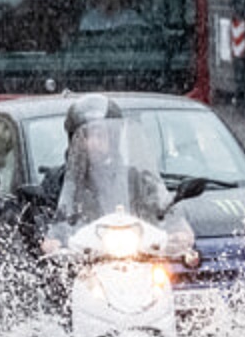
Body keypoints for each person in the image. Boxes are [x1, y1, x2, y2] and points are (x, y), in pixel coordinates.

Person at [40, 94, 179, 254]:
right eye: (85, 136)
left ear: (114, 137)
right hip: (81, 265)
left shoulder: (134, 179)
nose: (94, 142)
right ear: (73, 140)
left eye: (100, 134)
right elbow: (49, 220)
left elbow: (161, 210)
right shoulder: (58, 182)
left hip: (134, 260)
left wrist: (177, 231)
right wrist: (51, 241)